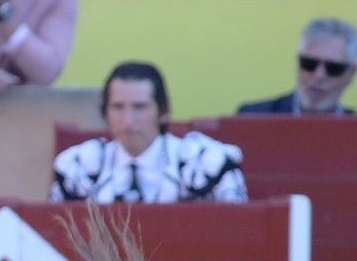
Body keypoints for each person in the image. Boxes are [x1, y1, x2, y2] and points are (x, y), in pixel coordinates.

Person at [52, 62, 246, 203]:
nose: (128, 120)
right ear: (106, 112)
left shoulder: (203, 162)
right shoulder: (78, 167)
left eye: (140, 107)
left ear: (162, 112)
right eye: (118, 107)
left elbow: (242, 231)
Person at [237, 18, 357, 115]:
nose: (319, 75)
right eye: (309, 64)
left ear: (352, 73)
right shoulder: (254, 118)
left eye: (334, 68)